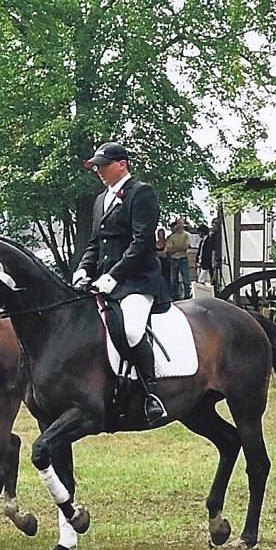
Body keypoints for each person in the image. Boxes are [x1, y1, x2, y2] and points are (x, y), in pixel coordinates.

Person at [72, 142, 171, 426]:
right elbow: (95, 244)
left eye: (103, 165)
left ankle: (152, 395)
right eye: (97, 166)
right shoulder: (101, 199)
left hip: (138, 281)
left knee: (130, 330)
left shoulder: (141, 193)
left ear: (122, 165)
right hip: (104, 282)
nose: (99, 170)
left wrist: (114, 275)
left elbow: (141, 243)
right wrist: (82, 269)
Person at [166, 218, 191, 300]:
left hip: (183, 259)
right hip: (174, 259)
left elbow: (185, 247)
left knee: (186, 280)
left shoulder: (187, 235)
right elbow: (169, 250)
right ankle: (174, 297)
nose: (179, 225)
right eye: (178, 223)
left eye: (181, 223)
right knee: (173, 280)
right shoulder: (172, 237)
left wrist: (174, 248)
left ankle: (187, 296)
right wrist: (178, 248)